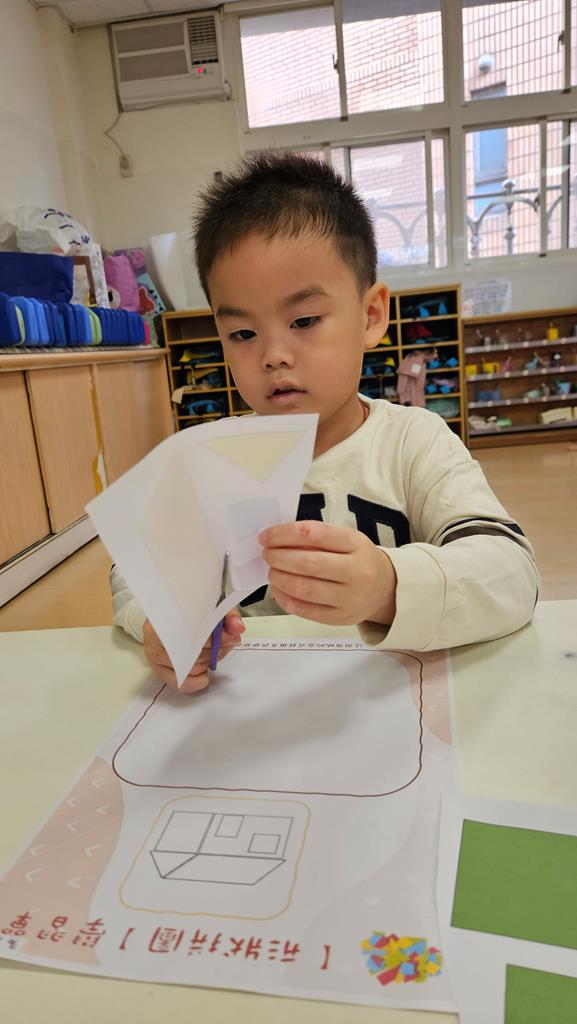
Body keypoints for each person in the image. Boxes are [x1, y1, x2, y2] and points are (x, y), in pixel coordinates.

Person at [111, 151, 538, 693]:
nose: (273, 355)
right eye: (242, 334)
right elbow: (134, 572)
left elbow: (511, 574)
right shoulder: (210, 460)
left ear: (371, 315)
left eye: (304, 320)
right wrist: (163, 622)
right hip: (252, 707)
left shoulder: (414, 441)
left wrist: (388, 587)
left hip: (395, 701)